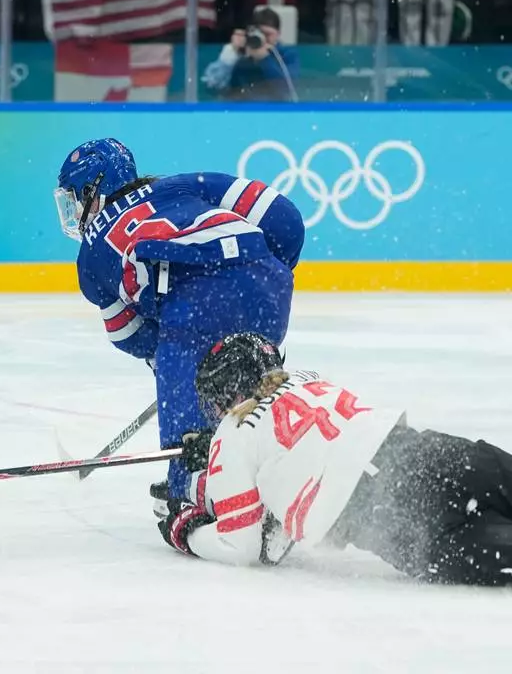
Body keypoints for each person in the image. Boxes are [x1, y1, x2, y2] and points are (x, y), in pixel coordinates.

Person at [54, 138, 304, 504]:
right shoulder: (182, 184)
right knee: (248, 374)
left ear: (96, 189)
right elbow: (285, 219)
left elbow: (130, 337)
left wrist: (182, 367)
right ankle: (283, 439)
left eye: (75, 199)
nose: (76, 213)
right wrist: (268, 270)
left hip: (195, 308)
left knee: (186, 393)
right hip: (267, 285)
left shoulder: (91, 255)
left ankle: (191, 482)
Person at [158, 332, 512, 586]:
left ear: (228, 388)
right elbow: (290, 434)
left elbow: (243, 548)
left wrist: (186, 528)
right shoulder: (307, 377)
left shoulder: (230, 436)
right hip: (430, 453)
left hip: (393, 518)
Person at [201, 7, 300, 101]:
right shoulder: (242, 55)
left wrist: (265, 59)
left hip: (275, 110)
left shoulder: (287, 55)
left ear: (278, 34)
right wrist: (230, 55)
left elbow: (288, 88)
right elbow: (212, 87)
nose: (264, 39)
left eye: (268, 35)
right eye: (260, 34)